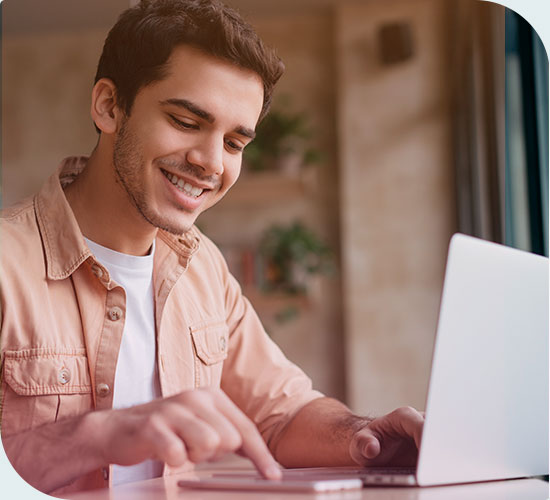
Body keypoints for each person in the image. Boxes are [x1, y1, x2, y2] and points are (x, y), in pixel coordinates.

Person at [0, 0, 424, 495]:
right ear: (109, 106)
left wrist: (364, 436)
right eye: (186, 121)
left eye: (234, 143)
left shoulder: (202, 267)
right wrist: (100, 434)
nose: (210, 163)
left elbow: (282, 414)